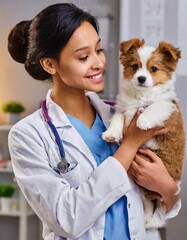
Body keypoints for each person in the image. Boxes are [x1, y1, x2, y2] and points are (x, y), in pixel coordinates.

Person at [7, 3, 181, 240]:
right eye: (83, 56)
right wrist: (129, 145)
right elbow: (67, 220)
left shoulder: (120, 115)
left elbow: (158, 209)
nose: (98, 63)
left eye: (98, 50)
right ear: (50, 64)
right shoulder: (27, 135)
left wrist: (168, 190)